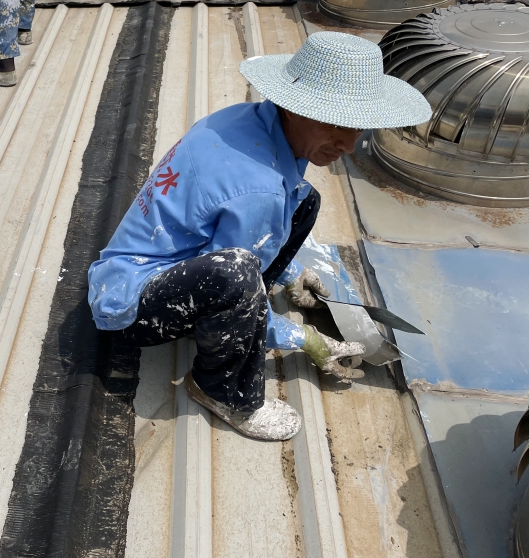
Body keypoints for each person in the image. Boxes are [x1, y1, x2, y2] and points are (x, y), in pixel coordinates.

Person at [87, 32, 432, 441]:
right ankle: (223, 392)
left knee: (305, 200)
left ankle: (253, 293)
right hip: (132, 300)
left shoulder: (244, 120)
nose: (348, 145)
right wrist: (303, 338)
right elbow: (234, 267)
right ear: (294, 107)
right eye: (337, 124)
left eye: (358, 129)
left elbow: (258, 208)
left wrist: (290, 273)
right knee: (238, 274)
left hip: (175, 257)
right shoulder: (259, 191)